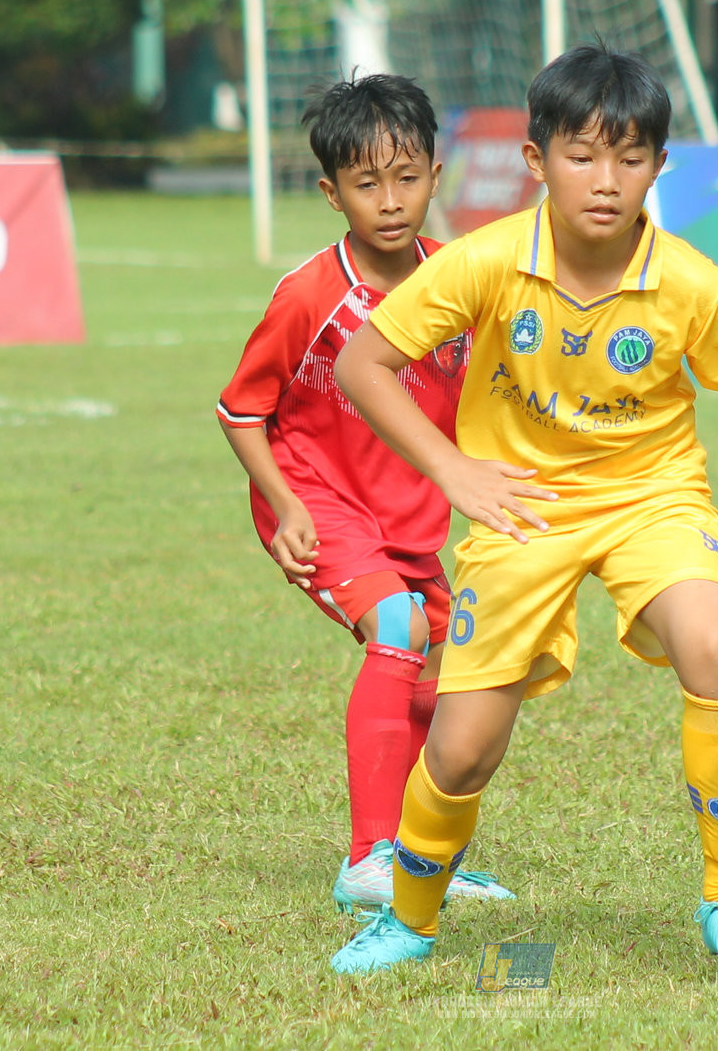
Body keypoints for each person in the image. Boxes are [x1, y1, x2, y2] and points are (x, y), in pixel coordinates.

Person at [325, 46, 718, 983]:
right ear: (536, 162)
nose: (606, 181)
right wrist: (453, 470)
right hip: (523, 511)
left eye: (631, 157)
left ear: (658, 167)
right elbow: (365, 364)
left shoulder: (689, 282)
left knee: (715, 641)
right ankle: (406, 916)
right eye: (581, 156)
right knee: (465, 747)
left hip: (654, 499)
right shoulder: (485, 262)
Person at [216, 74, 513, 916]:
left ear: (436, 174)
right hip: (314, 502)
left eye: (408, 176)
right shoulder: (308, 295)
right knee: (398, 627)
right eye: (366, 182)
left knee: (451, 671)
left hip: (408, 520)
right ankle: (368, 859)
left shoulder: (455, 283)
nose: (391, 200)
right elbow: (241, 413)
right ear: (331, 191)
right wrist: (287, 506)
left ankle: (427, 858)